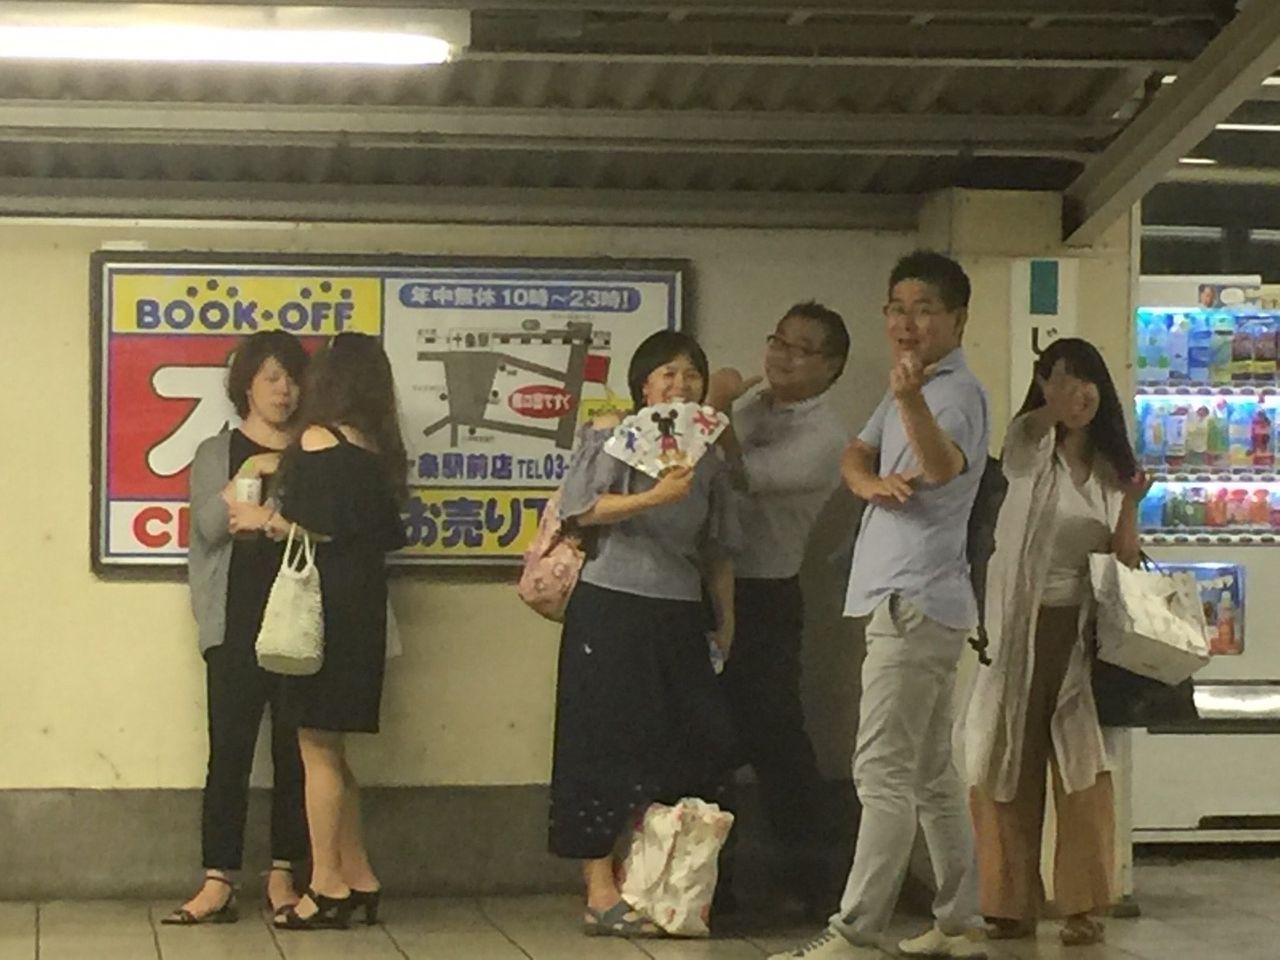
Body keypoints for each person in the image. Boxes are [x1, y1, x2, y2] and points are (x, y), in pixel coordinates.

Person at [771, 251, 990, 960]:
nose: (906, 323)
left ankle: (856, 931)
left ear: (957, 319)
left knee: (882, 773)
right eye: (897, 308)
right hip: (914, 598)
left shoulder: (952, 393)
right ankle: (961, 922)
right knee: (928, 774)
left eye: (924, 310)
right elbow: (855, 454)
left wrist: (911, 402)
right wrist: (867, 484)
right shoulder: (911, 384)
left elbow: (942, 467)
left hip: (915, 599)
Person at [548, 329, 740, 938]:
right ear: (644, 386)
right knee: (600, 742)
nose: (680, 385)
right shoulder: (612, 434)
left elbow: (718, 547)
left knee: (684, 744)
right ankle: (598, 889)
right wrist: (654, 496)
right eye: (667, 374)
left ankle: (660, 878)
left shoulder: (710, 453)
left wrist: (726, 619)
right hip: (611, 603)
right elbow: (581, 507)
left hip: (679, 609)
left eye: (691, 375)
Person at [965, 338, 1143, 947]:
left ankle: (1084, 905)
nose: (1078, 393)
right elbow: (1027, 431)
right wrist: (1050, 404)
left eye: (1087, 380)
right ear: (1044, 388)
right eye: (1063, 380)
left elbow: (1122, 560)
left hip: (1081, 635)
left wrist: (1132, 506)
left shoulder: (1113, 469)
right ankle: (1007, 903)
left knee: (1082, 770)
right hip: (1019, 627)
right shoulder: (1029, 446)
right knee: (1006, 761)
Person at [706, 301, 851, 913]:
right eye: (778, 341)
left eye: (801, 349)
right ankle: (713, 886)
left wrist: (713, 405)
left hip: (766, 595)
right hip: (712, 586)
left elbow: (737, 474)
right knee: (707, 739)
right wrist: (724, 407)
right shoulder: (752, 406)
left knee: (776, 741)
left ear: (831, 366)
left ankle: (814, 885)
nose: (783, 356)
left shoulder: (826, 436)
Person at [164, 330, 310, 926]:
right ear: (246, 384)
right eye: (272, 377)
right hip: (234, 621)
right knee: (228, 752)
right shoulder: (216, 452)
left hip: (299, 621)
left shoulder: (315, 448)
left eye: (292, 378)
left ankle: (283, 874)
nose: (284, 389)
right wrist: (251, 466)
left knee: (295, 753)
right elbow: (207, 526)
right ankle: (218, 879)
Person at [264, 332, 408, 930]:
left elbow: (312, 523)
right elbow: (386, 533)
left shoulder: (318, 440)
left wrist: (267, 519)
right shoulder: (377, 449)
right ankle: (359, 874)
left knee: (316, 752)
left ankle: (325, 885)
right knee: (336, 751)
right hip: (365, 609)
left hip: (320, 614)